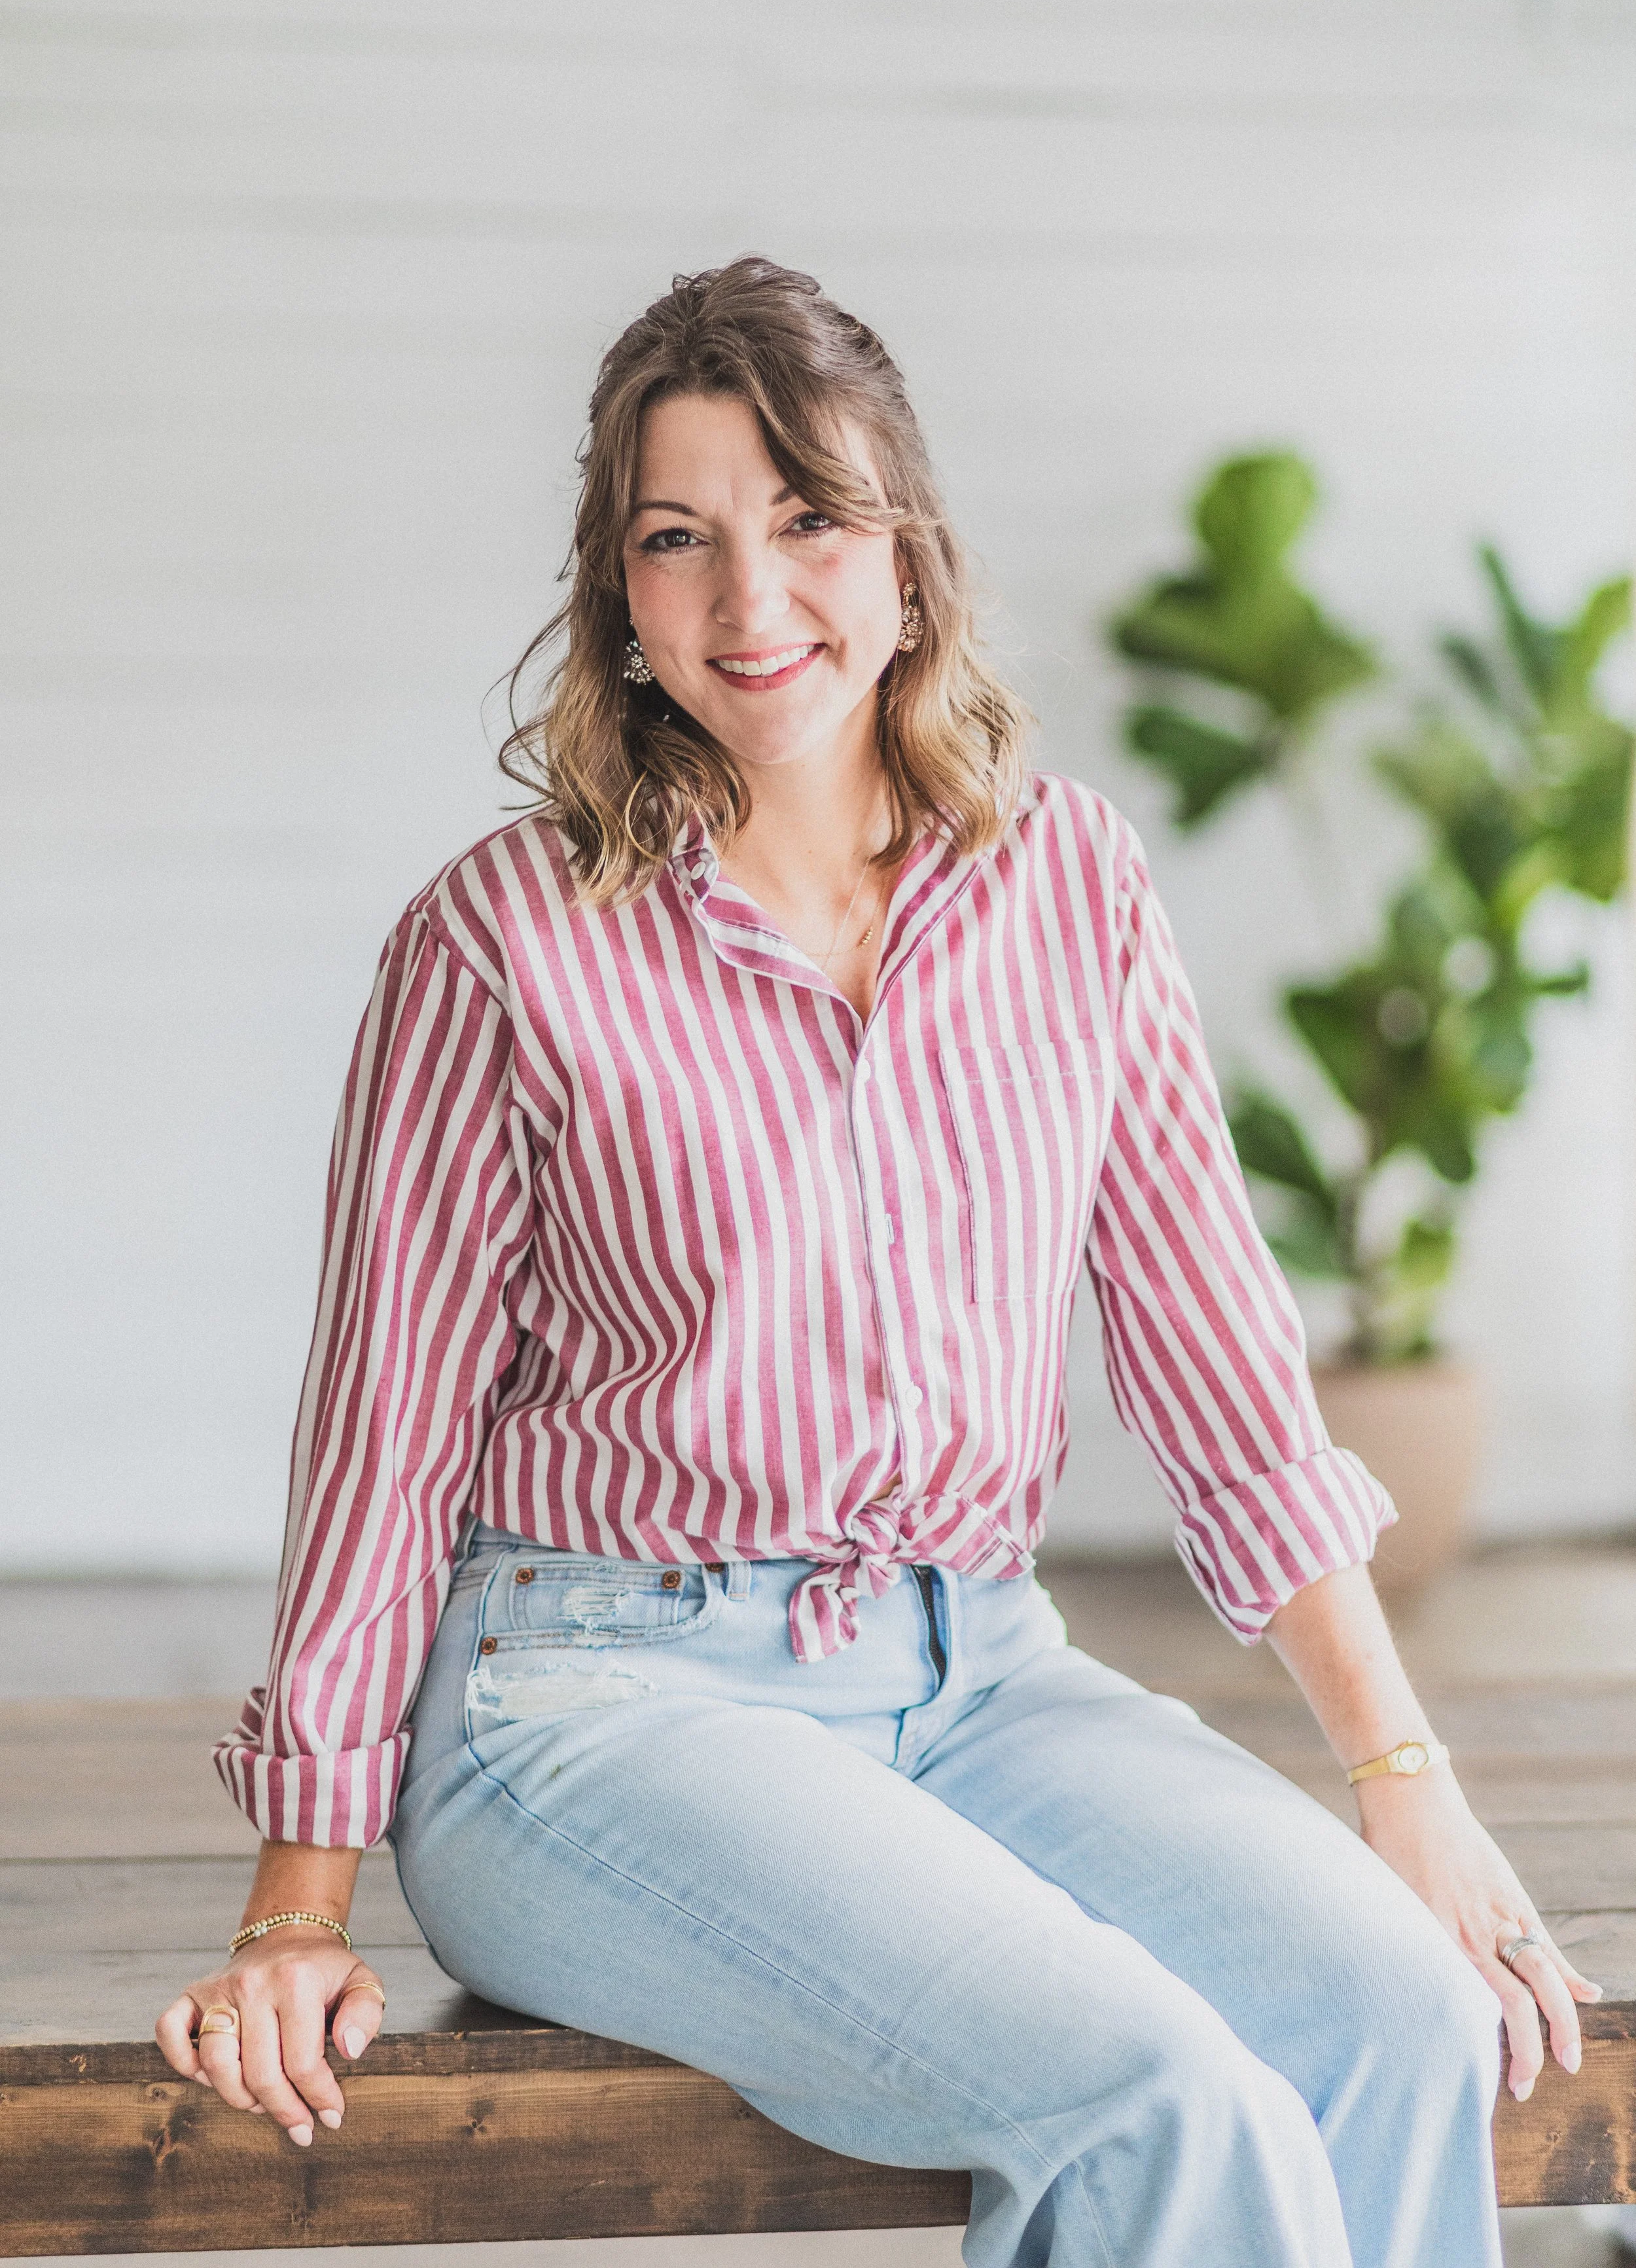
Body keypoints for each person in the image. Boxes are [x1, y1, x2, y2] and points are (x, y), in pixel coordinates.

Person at [158, 257, 1595, 2268]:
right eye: (681, 541)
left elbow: (1220, 1371)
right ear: (620, 600)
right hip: (589, 1705)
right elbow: (381, 1445)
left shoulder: (1066, 883)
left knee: (1398, 2015)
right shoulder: (497, 942)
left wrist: (1402, 1775)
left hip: (973, 1667)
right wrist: (296, 1909)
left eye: (807, 520)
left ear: (902, 549)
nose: (753, 602)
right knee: (1146, 2096)